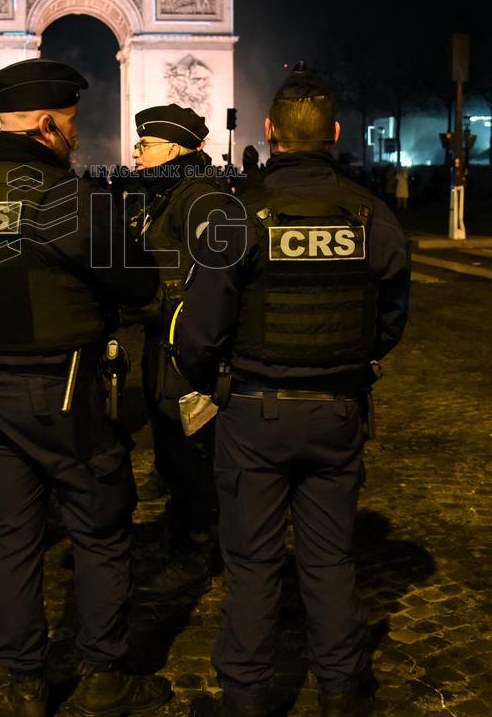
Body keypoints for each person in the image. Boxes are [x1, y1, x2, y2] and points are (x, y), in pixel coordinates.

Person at [0, 59, 172, 717]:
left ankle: (24, 681)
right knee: (98, 531)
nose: (74, 136)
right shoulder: (69, 197)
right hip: (62, 393)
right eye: (70, 124)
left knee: (12, 536)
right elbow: (140, 285)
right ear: (46, 124)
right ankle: (103, 674)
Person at [177, 62, 410, 717]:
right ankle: (342, 690)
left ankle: (247, 698)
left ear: (270, 131)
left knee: (251, 562)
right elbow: (392, 316)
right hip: (337, 409)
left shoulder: (237, 213)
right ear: (334, 133)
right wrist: (356, 359)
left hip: (253, 410)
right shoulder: (373, 215)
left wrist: (204, 380)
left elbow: (200, 328)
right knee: (331, 559)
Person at [127, 103, 221, 598]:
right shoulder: (161, 196)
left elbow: (215, 284)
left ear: (174, 150)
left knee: (193, 454)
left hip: (185, 350)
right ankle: (180, 522)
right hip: (160, 343)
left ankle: (198, 545)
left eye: (144, 145)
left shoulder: (199, 200)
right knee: (171, 443)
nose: (135, 152)